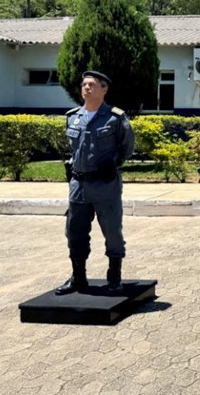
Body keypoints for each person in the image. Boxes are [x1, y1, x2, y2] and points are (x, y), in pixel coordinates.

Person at [56, 70, 135, 295]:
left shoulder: (114, 117)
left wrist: (114, 164)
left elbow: (127, 146)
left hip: (105, 184)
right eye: (84, 85)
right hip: (79, 184)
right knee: (74, 231)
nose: (86, 88)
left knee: (111, 230)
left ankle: (114, 276)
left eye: (92, 85)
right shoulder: (73, 116)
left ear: (104, 89)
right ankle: (78, 277)